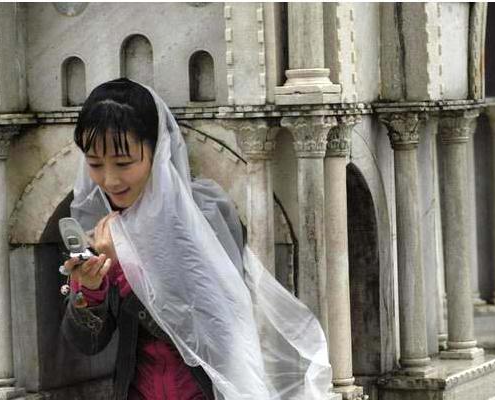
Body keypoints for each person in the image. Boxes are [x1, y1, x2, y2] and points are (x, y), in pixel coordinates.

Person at [61, 78, 332, 400]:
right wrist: (90, 289)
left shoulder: (204, 213)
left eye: (123, 163)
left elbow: (220, 330)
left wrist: (132, 268)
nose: (109, 179)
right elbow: (88, 343)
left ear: (157, 151)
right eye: (95, 164)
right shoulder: (101, 227)